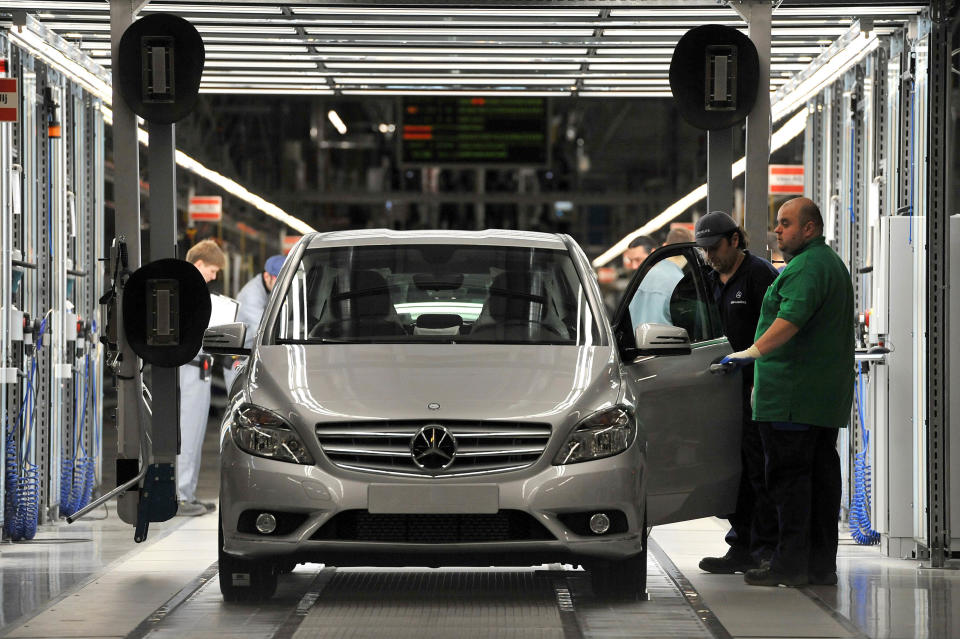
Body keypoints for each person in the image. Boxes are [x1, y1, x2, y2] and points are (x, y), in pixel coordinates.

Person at [720, 197, 854, 587]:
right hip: (818, 398)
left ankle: (789, 565)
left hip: (792, 398)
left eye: (785, 223)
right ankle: (818, 566)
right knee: (819, 482)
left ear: (809, 229)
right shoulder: (826, 263)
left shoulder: (806, 268)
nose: (776, 230)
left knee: (789, 483)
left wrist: (750, 353)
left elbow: (790, 319)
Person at [694, 211, 779, 575]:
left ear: (734, 239)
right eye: (704, 250)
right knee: (733, 470)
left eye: (714, 248)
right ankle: (741, 544)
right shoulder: (708, 279)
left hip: (755, 388)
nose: (710, 256)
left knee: (759, 470)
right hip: (720, 390)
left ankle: (765, 548)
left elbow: (778, 331)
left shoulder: (760, 276)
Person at [177, 239, 227, 517]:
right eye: (212, 270)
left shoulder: (193, 291)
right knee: (187, 431)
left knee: (195, 433)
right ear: (198, 264)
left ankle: (188, 492)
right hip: (190, 367)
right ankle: (181, 495)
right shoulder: (186, 290)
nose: (214, 276)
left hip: (200, 367)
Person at [223, 254, 285, 391]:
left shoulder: (269, 290)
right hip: (239, 363)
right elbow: (263, 331)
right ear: (267, 276)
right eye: (278, 280)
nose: (281, 286)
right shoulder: (252, 295)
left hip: (252, 360)